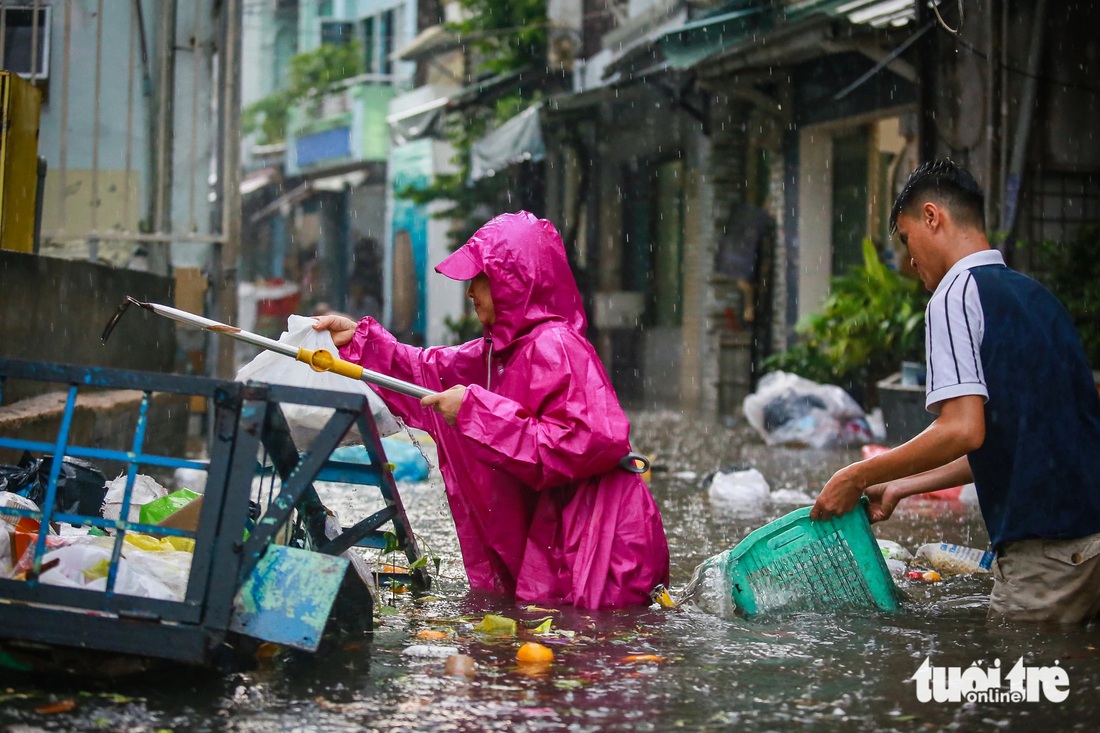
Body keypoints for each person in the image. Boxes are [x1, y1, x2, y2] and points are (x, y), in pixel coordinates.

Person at [313, 211, 670, 609]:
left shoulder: (556, 347)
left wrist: (475, 413)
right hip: (556, 539)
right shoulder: (495, 354)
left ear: (512, 281)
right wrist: (358, 342)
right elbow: (423, 372)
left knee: (593, 648)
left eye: (479, 279)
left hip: (595, 540)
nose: (469, 292)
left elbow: (584, 443)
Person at [811, 160, 1100, 623]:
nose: (908, 260)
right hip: (1090, 541)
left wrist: (856, 475)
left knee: (1016, 689)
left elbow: (961, 429)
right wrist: (903, 485)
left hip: (1045, 551)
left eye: (906, 239)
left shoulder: (953, 294)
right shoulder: (1037, 298)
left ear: (932, 217)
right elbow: (1003, 441)